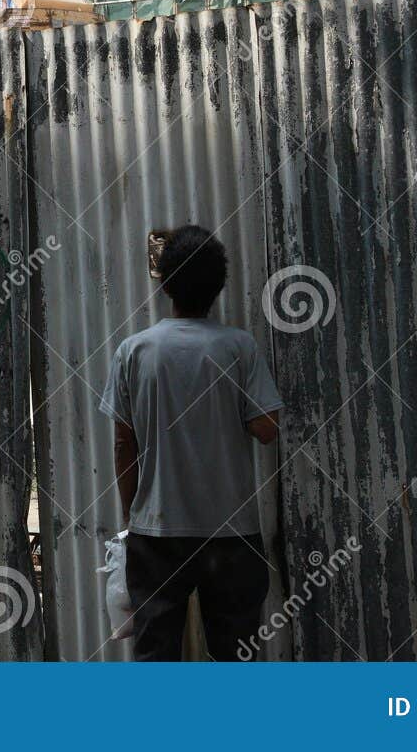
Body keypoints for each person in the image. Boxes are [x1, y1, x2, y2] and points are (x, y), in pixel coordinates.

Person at [100, 224, 283, 661]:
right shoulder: (239, 348)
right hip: (232, 533)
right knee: (236, 654)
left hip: (157, 533)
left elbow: (124, 445)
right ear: (219, 286)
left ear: (164, 284)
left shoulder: (135, 351)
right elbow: (266, 429)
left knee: (157, 657)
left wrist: (132, 513)